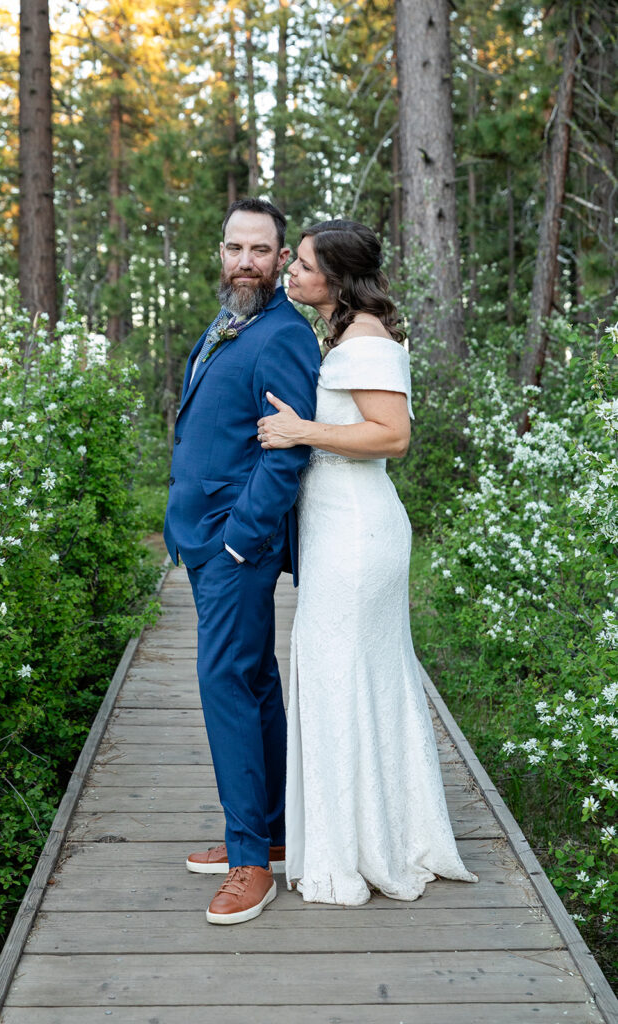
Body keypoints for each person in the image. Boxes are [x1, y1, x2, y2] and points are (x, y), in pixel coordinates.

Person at [257, 219, 478, 905]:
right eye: (290, 262)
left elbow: (393, 435)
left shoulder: (368, 341)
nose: (290, 272)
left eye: (302, 265)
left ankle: (362, 847)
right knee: (346, 677)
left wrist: (300, 430)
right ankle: (361, 830)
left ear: (337, 279)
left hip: (357, 532)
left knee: (342, 677)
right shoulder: (347, 335)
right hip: (335, 528)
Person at [163, 198, 321, 924]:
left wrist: (238, 537)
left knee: (226, 683)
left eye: (261, 250)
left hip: (236, 543)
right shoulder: (230, 320)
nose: (245, 262)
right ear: (220, 250)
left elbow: (285, 454)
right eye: (235, 248)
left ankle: (249, 860)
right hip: (201, 534)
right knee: (253, 682)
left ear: (282, 258)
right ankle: (273, 833)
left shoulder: (285, 335)